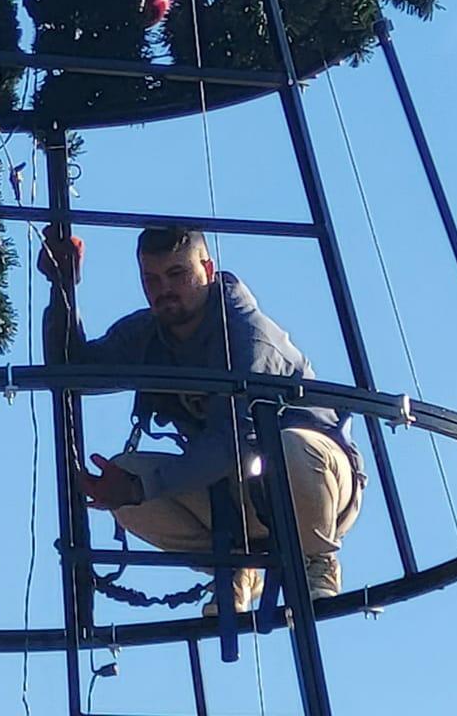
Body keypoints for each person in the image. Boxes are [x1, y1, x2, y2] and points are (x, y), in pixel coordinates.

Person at [39, 224, 363, 611]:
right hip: (237, 495)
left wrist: (144, 486)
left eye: (177, 274)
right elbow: (73, 373)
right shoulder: (149, 335)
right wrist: (62, 289)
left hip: (314, 484)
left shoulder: (249, 337)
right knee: (124, 479)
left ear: (207, 271)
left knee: (287, 448)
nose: (164, 289)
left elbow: (231, 443)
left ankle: (316, 560)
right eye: (152, 279)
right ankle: (233, 566)